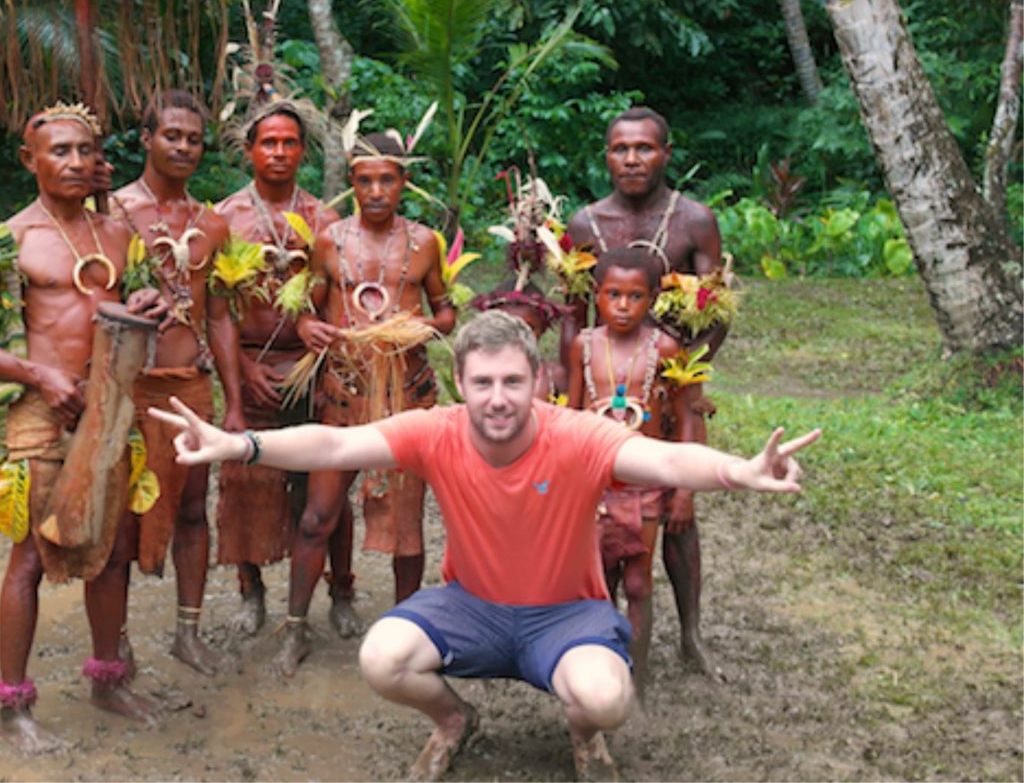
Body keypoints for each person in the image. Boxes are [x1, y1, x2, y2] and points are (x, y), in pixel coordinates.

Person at [149, 310, 819, 781]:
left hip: (567, 613)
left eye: (512, 382)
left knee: (606, 698)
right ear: (460, 385)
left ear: (537, 382)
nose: (498, 399)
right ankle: (453, 720)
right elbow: (334, 442)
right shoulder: (436, 430)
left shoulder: (578, 435)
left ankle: (584, 734)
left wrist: (740, 471)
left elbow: (666, 462)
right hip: (474, 606)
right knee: (383, 657)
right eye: (482, 383)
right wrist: (241, 443)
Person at [0, 103, 171, 746]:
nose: (74, 162)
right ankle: (14, 707)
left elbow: (146, 307)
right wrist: (38, 376)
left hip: (112, 409)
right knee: (32, 556)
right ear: (29, 160)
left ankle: (108, 679)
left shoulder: (118, 235)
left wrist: (149, 303)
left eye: (84, 151)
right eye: (59, 151)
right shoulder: (7, 239)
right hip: (42, 417)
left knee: (113, 549)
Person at [279, 130, 457, 676]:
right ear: (351, 184)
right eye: (364, 180)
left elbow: (447, 313)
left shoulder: (425, 242)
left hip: (406, 398)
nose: (376, 190)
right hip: (344, 395)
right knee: (317, 516)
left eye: (387, 179)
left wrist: (421, 327)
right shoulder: (330, 240)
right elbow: (305, 308)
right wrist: (309, 325)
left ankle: (405, 633)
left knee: (407, 525)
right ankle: (295, 630)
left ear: (404, 183)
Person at [566, 106, 725, 673]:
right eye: (619, 149)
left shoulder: (694, 221)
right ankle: (599, 636)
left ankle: (690, 634)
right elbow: (571, 314)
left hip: (670, 391)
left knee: (678, 514)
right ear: (606, 155)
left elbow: (717, 310)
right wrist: (570, 400)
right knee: (601, 517)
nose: (631, 160)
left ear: (667, 153)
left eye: (644, 149)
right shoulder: (586, 224)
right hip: (603, 391)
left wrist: (686, 382)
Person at [110, 89, 245, 676]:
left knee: (193, 509)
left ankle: (187, 632)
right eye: (173, 135)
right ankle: (112, 639)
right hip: (126, 387)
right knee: (118, 518)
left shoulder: (211, 223)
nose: (185, 147)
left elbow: (218, 316)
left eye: (194, 138)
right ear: (147, 139)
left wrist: (234, 403)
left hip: (190, 385)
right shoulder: (109, 213)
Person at [213, 102, 357, 637]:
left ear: (303, 151)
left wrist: (322, 366)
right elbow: (214, 310)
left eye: (289, 143)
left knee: (322, 487)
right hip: (246, 369)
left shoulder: (326, 221)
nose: (278, 152)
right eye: (268, 142)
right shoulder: (223, 218)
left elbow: (339, 305)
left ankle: (341, 590)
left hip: (314, 371)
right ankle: (250, 592)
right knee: (243, 485)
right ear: (249, 150)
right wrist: (242, 369)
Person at [567, 248, 693, 702]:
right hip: (593, 483)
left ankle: (635, 680)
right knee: (597, 578)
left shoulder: (666, 349)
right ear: (596, 295)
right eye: (612, 294)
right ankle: (599, 670)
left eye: (635, 296)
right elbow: (570, 416)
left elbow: (686, 419)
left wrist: (684, 491)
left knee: (638, 580)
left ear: (654, 298)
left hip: (646, 483)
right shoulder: (583, 346)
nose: (623, 305)